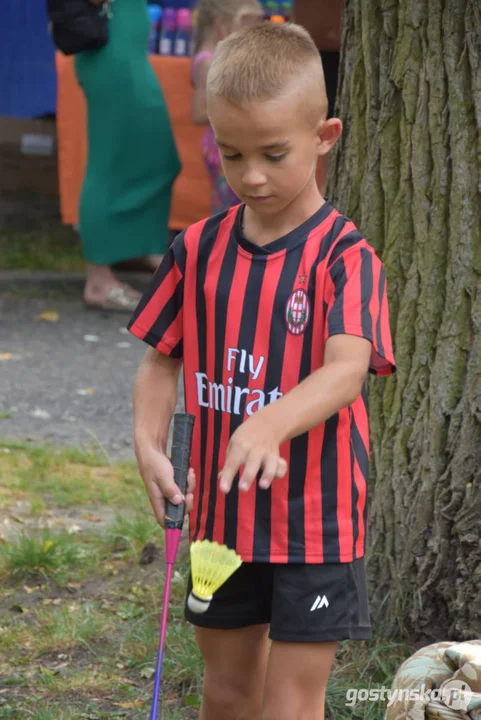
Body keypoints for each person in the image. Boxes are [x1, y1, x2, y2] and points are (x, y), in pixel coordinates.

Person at [129, 22, 396, 720]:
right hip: (219, 525)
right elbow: (162, 360)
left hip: (318, 526)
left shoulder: (347, 258)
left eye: (274, 154)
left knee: (288, 704)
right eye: (231, 151)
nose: (249, 175)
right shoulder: (197, 248)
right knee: (227, 692)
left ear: (324, 137)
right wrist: (147, 444)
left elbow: (347, 370)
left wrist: (265, 425)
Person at [75, 0, 181, 312]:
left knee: (158, 155)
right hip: (110, 49)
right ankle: (98, 280)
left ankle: (139, 248)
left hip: (126, 49)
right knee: (109, 161)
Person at [191, 0, 264, 215]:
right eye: (245, 27)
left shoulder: (223, 58)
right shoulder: (208, 62)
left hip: (232, 144)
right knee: (232, 210)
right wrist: (241, 107)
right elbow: (198, 113)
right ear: (221, 24)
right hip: (221, 149)